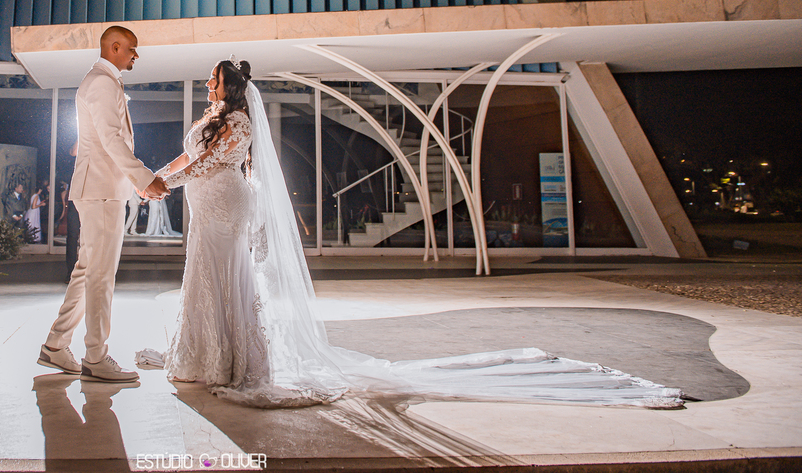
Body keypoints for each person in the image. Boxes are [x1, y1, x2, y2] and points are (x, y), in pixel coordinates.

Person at [150, 57, 685, 409]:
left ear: (231, 85)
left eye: (215, 78)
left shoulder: (238, 122)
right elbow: (191, 156)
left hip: (224, 204)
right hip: (204, 205)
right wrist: (164, 173)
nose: (209, 83)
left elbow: (215, 163)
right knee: (202, 273)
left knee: (225, 274)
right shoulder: (212, 115)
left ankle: (230, 359)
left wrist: (168, 182)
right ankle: (201, 353)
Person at [38, 25, 169, 383]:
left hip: (102, 188)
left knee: (86, 271)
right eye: (131, 49)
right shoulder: (101, 82)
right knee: (100, 276)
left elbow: (109, 141)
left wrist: (134, 183)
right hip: (100, 191)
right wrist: (144, 178)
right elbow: (111, 141)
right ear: (114, 47)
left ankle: (55, 345)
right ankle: (95, 356)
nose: (135, 56)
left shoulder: (105, 81)